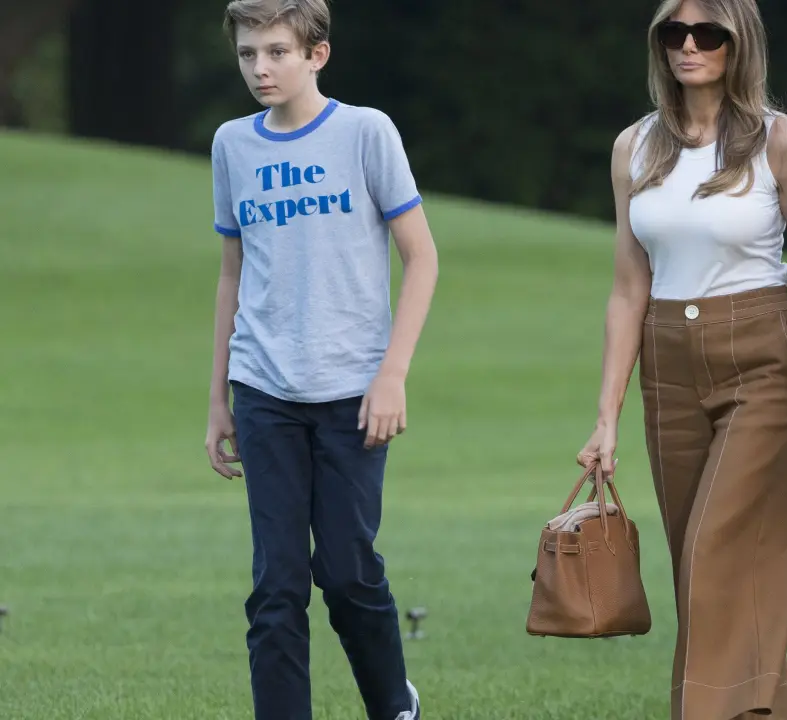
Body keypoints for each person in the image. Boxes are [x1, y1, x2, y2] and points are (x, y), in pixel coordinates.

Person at [575, 0, 787, 717]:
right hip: (668, 361)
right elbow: (629, 287)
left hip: (763, 356)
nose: (689, 45)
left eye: (707, 33)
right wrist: (606, 416)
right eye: (674, 33)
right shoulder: (635, 147)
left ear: (738, 43)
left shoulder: (781, 141)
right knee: (702, 565)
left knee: (716, 553)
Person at [203, 1, 438, 718]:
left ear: (317, 54)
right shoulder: (231, 145)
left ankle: (394, 705)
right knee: (276, 586)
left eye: (276, 51)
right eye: (248, 54)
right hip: (263, 390)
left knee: (345, 572)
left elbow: (422, 258)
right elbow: (232, 274)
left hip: (352, 393)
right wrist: (218, 399)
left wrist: (391, 374)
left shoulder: (366, 133)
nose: (261, 69)